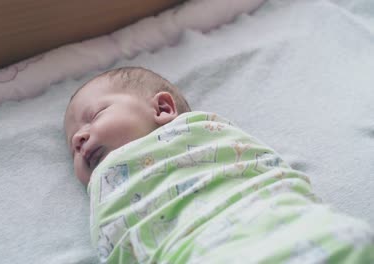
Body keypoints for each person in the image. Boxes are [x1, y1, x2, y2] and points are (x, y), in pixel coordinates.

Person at [64, 67, 374, 263]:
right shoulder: (107, 190)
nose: (79, 138)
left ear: (162, 108)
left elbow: (261, 171)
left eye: (94, 116)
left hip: (278, 219)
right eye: (72, 145)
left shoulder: (206, 136)